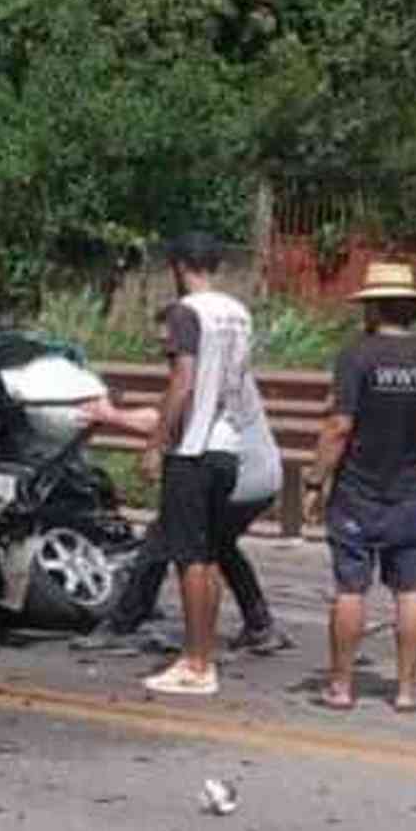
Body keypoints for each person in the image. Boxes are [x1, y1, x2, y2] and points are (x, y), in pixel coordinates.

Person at [305, 262, 416, 713]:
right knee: (411, 587)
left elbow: (340, 425)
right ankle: (405, 689)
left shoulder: (356, 356)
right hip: (412, 489)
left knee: (350, 589)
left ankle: (341, 687)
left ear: (374, 308)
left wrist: (315, 479)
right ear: (414, 309)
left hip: (358, 491)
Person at [93, 306, 288, 653]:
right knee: (218, 543)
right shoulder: (228, 372)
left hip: (238, 474)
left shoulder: (196, 377)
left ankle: (124, 624)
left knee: (163, 535)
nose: (160, 342)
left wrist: (111, 416)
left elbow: (166, 417)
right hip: (265, 475)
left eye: (166, 335)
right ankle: (259, 624)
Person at [139, 232, 253, 695]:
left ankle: (196, 661)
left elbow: (183, 380)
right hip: (229, 443)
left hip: (193, 448)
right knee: (208, 555)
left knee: (189, 557)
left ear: (180, 265)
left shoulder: (188, 312)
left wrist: (155, 441)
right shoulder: (239, 313)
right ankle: (204, 654)